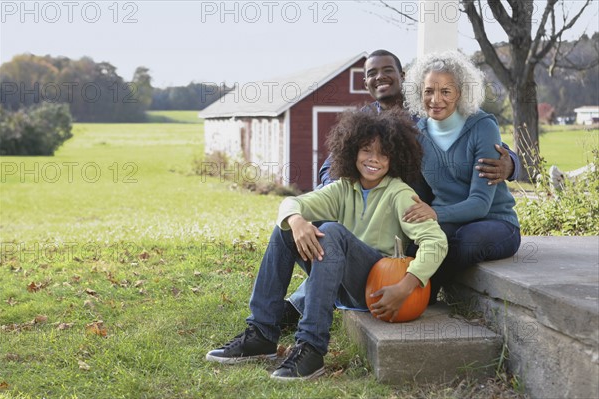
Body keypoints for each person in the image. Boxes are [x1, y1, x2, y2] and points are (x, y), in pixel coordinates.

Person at [280, 49, 521, 325]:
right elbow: (331, 166)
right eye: (372, 73)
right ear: (366, 83)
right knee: (321, 223)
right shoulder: (368, 120)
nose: (380, 77)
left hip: (419, 211)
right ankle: (304, 301)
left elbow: (493, 152)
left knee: (434, 241)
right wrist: (348, 191)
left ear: (403, 78)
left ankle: (411, 289)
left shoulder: (424, 119)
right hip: (395, 211)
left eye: (388, 71)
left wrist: (511, 164)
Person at [205, 110, 448, 380]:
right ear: (352, 151)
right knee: (284, 228)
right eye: (367, 150)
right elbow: (292, 203)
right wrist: (296, 220)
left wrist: (407, 285)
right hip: (339, 284)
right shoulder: (343, 188)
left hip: (380, 289)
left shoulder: (400, 194)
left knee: (331, 230)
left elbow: (435, 241)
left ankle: (311, 348)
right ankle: (261, 334)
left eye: (383, 154)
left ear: (395, 158)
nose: (374, 160)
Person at [401, 50, 521, 301]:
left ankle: (419, 297)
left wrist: (434, 213)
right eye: (429, 91)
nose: (436, 99)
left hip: (495, 222)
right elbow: (420, 195)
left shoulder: (482, 127)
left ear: (460, 93)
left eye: (446, 91)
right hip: (447, 222)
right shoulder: (417, 136)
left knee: (466, 241)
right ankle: (414, 297)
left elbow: (479, 204)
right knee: (417, 244)